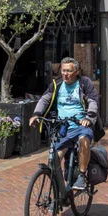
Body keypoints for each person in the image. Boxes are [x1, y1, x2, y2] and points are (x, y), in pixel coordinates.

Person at [29, 57, 100, 191]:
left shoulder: (85, 83)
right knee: (55, 159)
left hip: (81, 125)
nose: (65, 74)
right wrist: (36, 114)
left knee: (84, 141)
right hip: (63, 127)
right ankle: (58, 193)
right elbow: (44, 99)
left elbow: (93, 101)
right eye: (63, 70)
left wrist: (89, 118)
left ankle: (81, 176)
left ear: (77, 71)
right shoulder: (57, 84)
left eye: (68, 71)